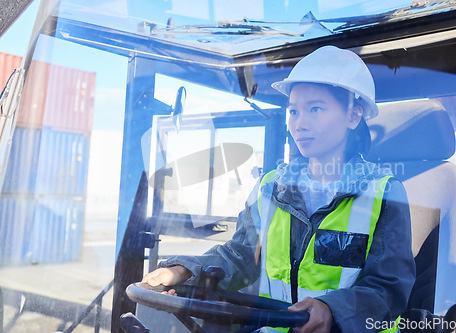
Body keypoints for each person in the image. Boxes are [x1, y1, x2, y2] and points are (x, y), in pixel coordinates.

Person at [143, 46, 416, 333]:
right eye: (294, 111)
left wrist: (332, 310)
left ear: (353, 117)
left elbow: (387, 288)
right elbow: (241, 255)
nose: (299, 124)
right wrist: (184, 270)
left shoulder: (384, 193)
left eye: (315, 109)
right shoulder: (271, 186)